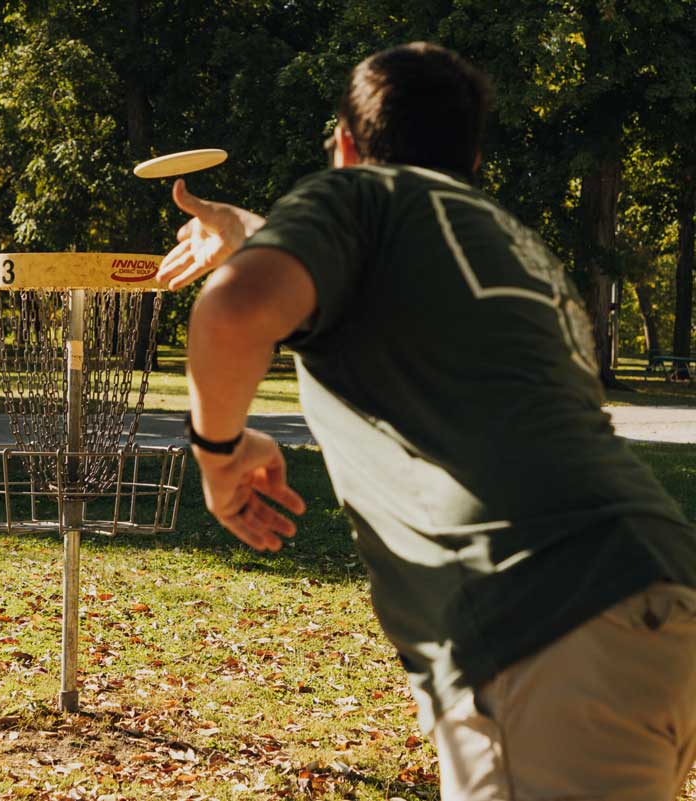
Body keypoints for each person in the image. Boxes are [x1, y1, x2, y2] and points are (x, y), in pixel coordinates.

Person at [161, 41, 696, 801]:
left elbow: (236, 308)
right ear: (471, 156)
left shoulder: (358, 197)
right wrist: (249, 231)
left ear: (346, 145)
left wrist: (218, 456)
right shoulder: (505, 243)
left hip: (542, 619)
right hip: (658, 592)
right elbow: (348, 271)